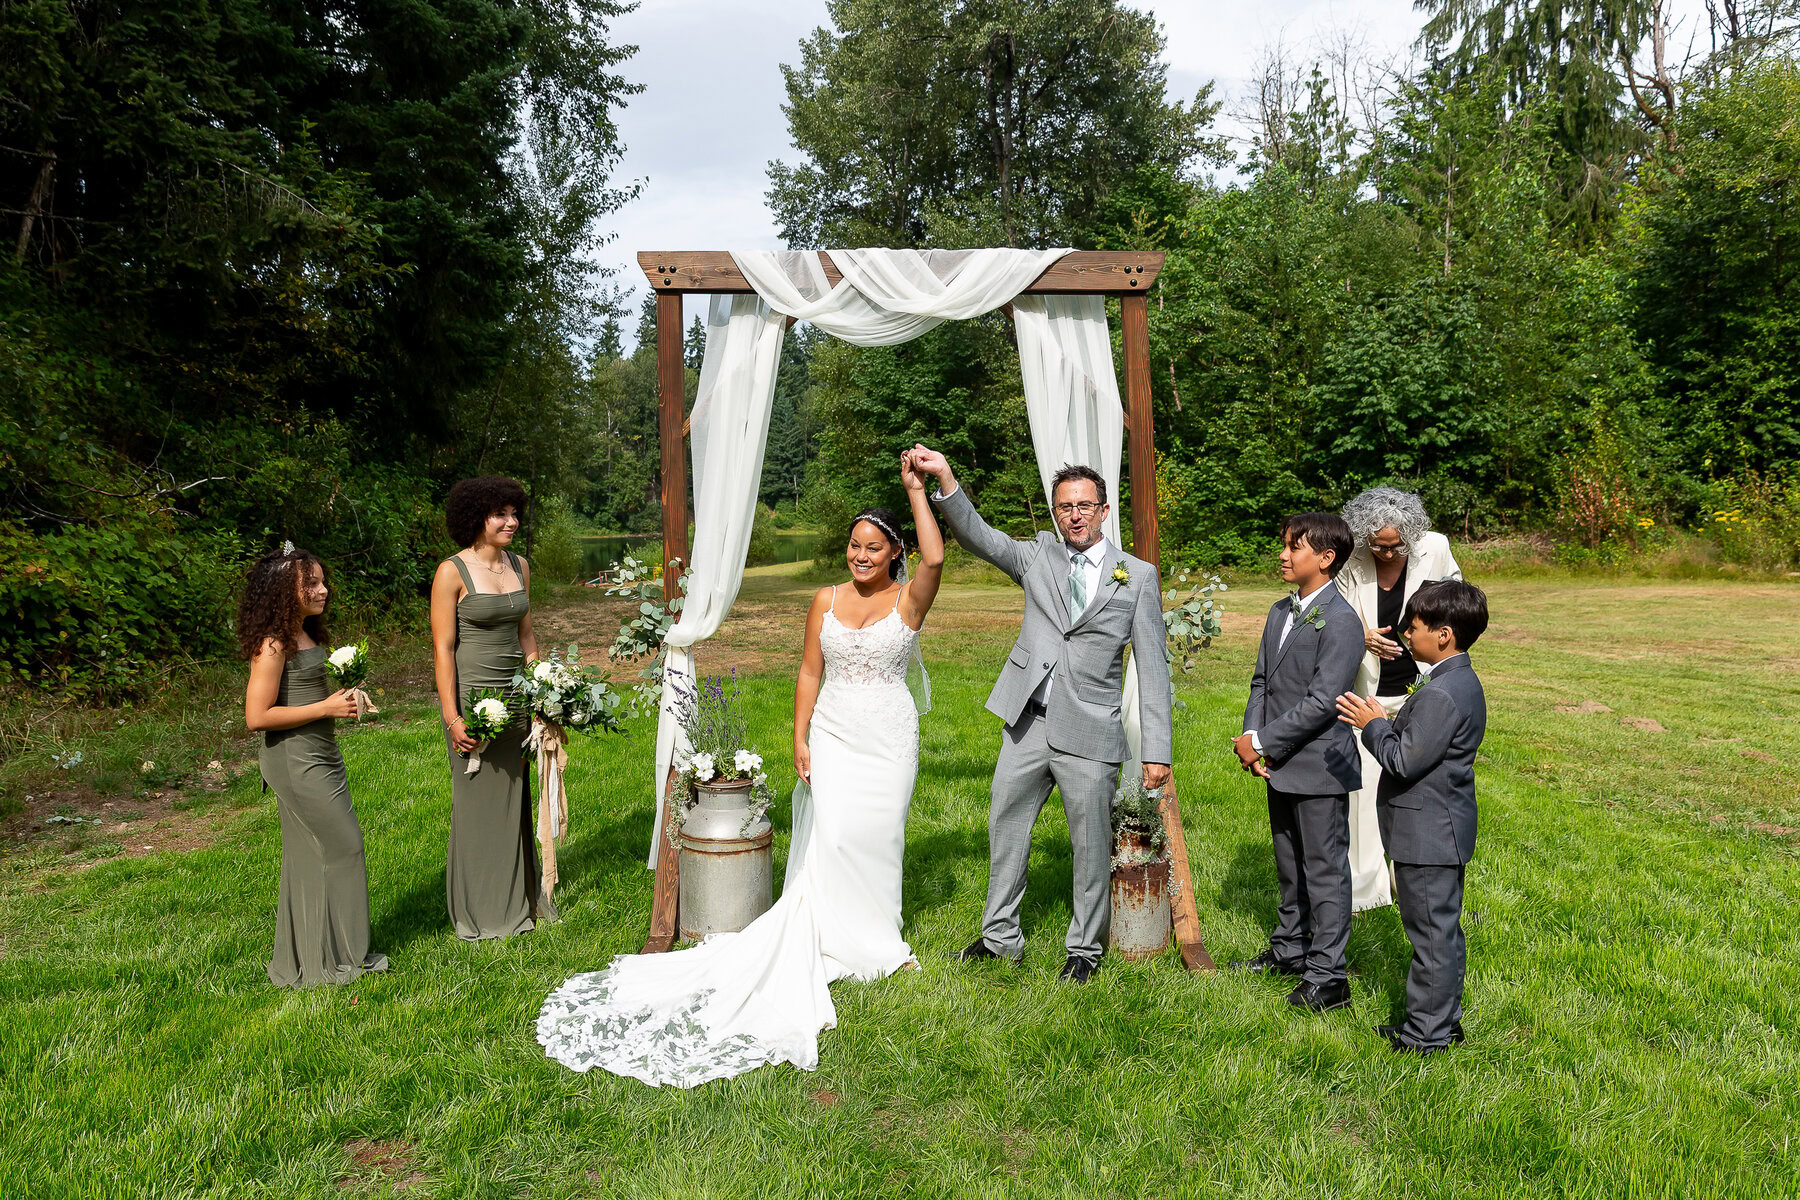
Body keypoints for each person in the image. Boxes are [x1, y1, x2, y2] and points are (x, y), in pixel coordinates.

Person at [535, 451, 945, 1087]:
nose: (859, 556)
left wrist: (916, 491)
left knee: (879, 836)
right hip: (834, 732)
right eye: (852, 546)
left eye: (872, 548)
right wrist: (799, 737)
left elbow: (938, 558)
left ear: (894, 553)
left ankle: (876, 937)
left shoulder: (909, 601)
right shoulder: (825, 599)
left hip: (889, 737)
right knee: (832, 835)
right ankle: (830, 931)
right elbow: (810, 671)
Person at [909, 445, 1172, 984]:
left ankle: (1084, 950)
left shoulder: (1136, 576)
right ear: (1056, 513)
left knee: (1090, 844)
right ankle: (999, 938)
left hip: (1091, 729)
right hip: (1027, 722)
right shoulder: (1037, 557)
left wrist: (1156, 752)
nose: (1073, 515)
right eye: (1063, 507)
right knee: (1005, 828)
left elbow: (1153, 669)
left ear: (1102, 510)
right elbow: (980, 536)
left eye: (1084, 505)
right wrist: (946, 479)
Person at [1336, 580, 1489, 1054]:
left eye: (1415, 627)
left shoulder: (1443, 694)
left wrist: (1372, 725)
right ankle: (1444, 1021)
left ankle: (1426, 1036)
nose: (1406, 635)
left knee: (1430, 938)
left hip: (1429, 832)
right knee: (1442, 930)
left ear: (1444, 635)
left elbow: (1404, 760)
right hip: (1440, 826)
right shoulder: (1454, 680)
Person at [1231, 513, 1363, 1012]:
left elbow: (1324, 701)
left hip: (1319, 765)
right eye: (1284, 545)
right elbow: (1261, 681)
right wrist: (1250, 734)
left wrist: (1263, 740)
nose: (1283, 554)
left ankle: (1328, 977)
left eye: (1295, 547)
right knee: (1289, 863)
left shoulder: (1343, 621)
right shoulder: (1277, 611)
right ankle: (1290, 950)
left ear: (1326, 559)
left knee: (1324, 870)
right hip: (1279, 760)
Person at [241, 545, 388, 988]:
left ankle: (311, 957)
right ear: (284, 591)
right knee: (345, 846)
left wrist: (344, 699)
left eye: (323, 581)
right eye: (311, 584)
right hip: (294, 759)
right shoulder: (273, 644)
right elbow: (256, 716)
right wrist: (325, 707)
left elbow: (309, 698)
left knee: (313, 854)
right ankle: (345, 955)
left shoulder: (306, 633)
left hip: (319, 752)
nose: (323, 590)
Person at [430, 476, 549, 941]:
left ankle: (521, 898)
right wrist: (453, 717)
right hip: (475, 706)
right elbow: (443, 649)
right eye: (500, 514)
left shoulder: (519, 565)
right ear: (474, 518)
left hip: (517, 699)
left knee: (515, 799)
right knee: (479, 803)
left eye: (514, 513)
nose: (511, 521)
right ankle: (482, 911)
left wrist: (543, 695)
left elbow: (527, 638)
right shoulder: (450, 572)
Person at [1335, 488, 1464, 912]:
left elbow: (1456, 605)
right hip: (1367, 694)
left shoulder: (1436, 548)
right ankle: (1368, 896)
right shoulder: (1348, 556)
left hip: (1420, 692)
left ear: (1412, 533)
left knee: (1416, 797)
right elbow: (1331, 613)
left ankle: (1412, 886)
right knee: (1365, 796)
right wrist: (1361, 636)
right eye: (1378, 545)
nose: (1388, 553)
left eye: (1396, 545)